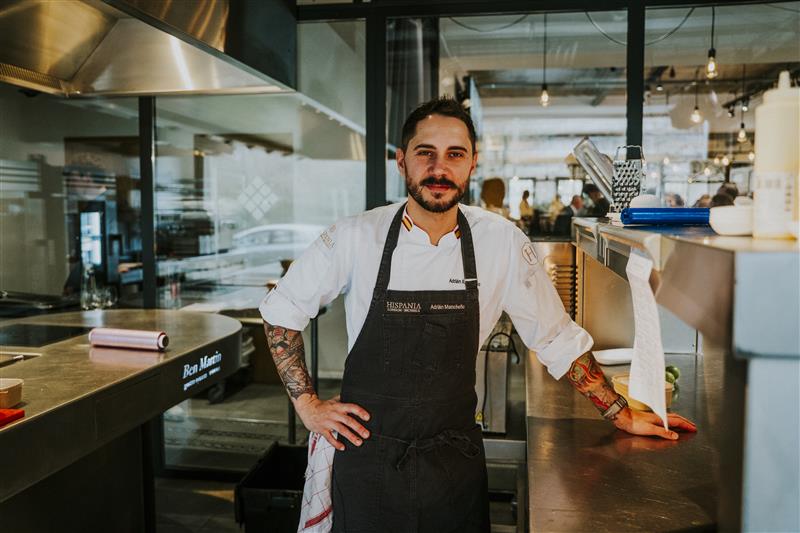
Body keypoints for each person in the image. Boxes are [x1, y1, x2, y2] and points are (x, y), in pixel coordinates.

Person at [259, 97, 696, 532]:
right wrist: (307, 405)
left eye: (455, 155)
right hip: (368, 460)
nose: (439, 168)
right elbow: (281, 311)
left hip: (453, 463)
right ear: (401, 161)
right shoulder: (356, 236)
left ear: (472, 164)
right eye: (425, 153)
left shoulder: (500, 242)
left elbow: (555, 337)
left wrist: (621, 412)